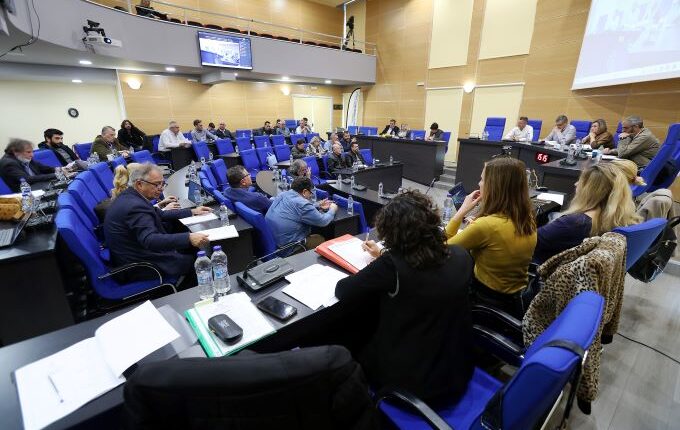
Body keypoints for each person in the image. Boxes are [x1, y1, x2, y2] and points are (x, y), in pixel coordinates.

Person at [336, 191, 474, 403]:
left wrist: (384, 258)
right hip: (457, 370)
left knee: (349, 341)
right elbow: (425, 264)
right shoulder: (461, 256)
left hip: (412, 385)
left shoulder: (392, 266)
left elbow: (343, 290)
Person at [445, 157, 537, 318]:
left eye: (482, 179)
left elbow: (442, 249)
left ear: (494, 186)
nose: (479, 183)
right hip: (515, 299)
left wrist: (461, 212)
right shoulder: (526, 217)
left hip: (485, 301)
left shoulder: (486, 226)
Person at [103, 163, 212, 284]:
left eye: (162, 183)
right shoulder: (134, 206)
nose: (161, 188)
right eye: (156, 184)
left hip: (133, 254)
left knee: (189, 245)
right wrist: (188, 238)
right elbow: (150, 239)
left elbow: (160, 214)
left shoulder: (131, 196)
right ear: (139, 184)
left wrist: (192, 212)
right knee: (199, 261)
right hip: (138, 265)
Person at [532, 162, 641, 264]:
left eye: (581, 181)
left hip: (538, 266)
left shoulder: (575, 223)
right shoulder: (618, 217)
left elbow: (527, 242)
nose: (576, 184)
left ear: (590, 190)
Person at [265, 176, 337, 250]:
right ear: (305, 192)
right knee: (320, 238)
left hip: (273, 242)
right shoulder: (302, 204)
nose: (311, 196)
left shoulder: (282, 195)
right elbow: (323, 221)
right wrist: (332, 209)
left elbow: (297, 207)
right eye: (311, 193)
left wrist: (318, 205)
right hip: (288, 248)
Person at [96, 163, 181, 222]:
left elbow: (144, 210)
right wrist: (165, 209)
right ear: (138, 180)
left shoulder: (126, 191)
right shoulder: (130, 196)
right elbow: (143, 216)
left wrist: (160, 204)